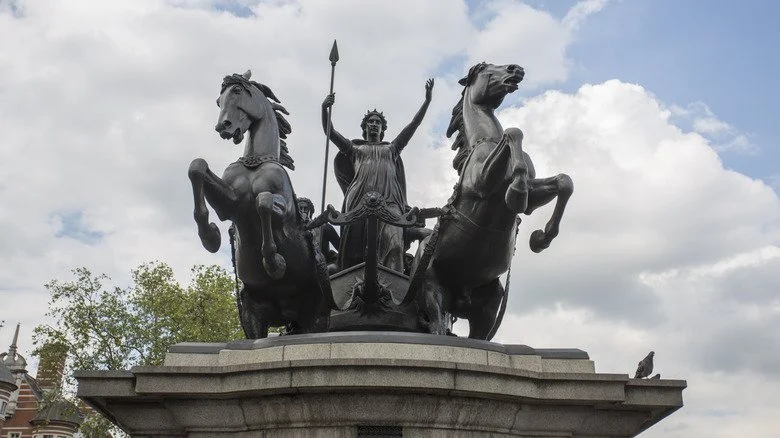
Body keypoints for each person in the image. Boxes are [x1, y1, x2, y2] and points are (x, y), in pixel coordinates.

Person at [322, 78, 433, 272]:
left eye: (378, 122)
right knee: (352, 252)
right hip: (358, 201)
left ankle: (392, 286)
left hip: (390, 202)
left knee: (395, 245)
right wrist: (324, 109)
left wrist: (427, 101)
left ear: (382, 129)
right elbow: (330, 132)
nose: (374, 124)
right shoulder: (354, 149)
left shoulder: (392, 148)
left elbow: (413, 125)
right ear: (365, 127)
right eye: (371, 122)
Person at [297, 197, 340, 274]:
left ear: (310, 211)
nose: (303, 211)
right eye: (300, 208)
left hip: (323, 270)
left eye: (305, 209)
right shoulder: (291, 232)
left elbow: (341, 248)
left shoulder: (324, 228)